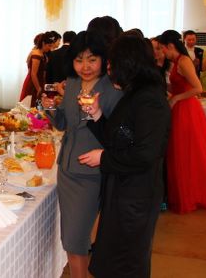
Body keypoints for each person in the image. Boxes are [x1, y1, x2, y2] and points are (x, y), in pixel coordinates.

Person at [77, 35, 170, 278]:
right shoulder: (133, 94)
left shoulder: (150, 99)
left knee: (127, 260)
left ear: (128, 63)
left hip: (137, 193)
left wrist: (103, 158)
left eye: (112, 64)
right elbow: (116, 137)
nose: (109, 69)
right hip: (122, 188)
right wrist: (96, 114)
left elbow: (145, 154)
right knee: (112, 255)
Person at [41, 31, 122, 278]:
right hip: (66, 168)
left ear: (103, 60)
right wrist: (50, 108)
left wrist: (97, 114)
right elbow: (64, 124)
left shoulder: (113, 88)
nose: (85, 67)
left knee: (75, 239)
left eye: (92, 60)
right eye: (79, 60)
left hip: (91, 172)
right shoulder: (72, 83)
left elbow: (117, 134)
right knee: (70, 237)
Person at [157, 30, 206, 212]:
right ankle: (183, 192)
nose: (162, 52)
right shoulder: (177, 61)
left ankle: (190, 194)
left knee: (186, 151)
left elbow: (197, 88)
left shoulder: (183, 61)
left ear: (170, 46)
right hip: (180, 107)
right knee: (180, 152)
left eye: (162, 48)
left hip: (187, 109)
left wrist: (176, 97)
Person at [19, 31, 60, 103]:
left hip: (40, 81)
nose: (50, 48)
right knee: (30, 103)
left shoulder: (43, 54)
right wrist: (38, 88)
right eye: (49, 45)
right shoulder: (36, 54)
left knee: (38, 105)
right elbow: (33, 74)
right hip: (34, 83)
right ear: (43, 43)